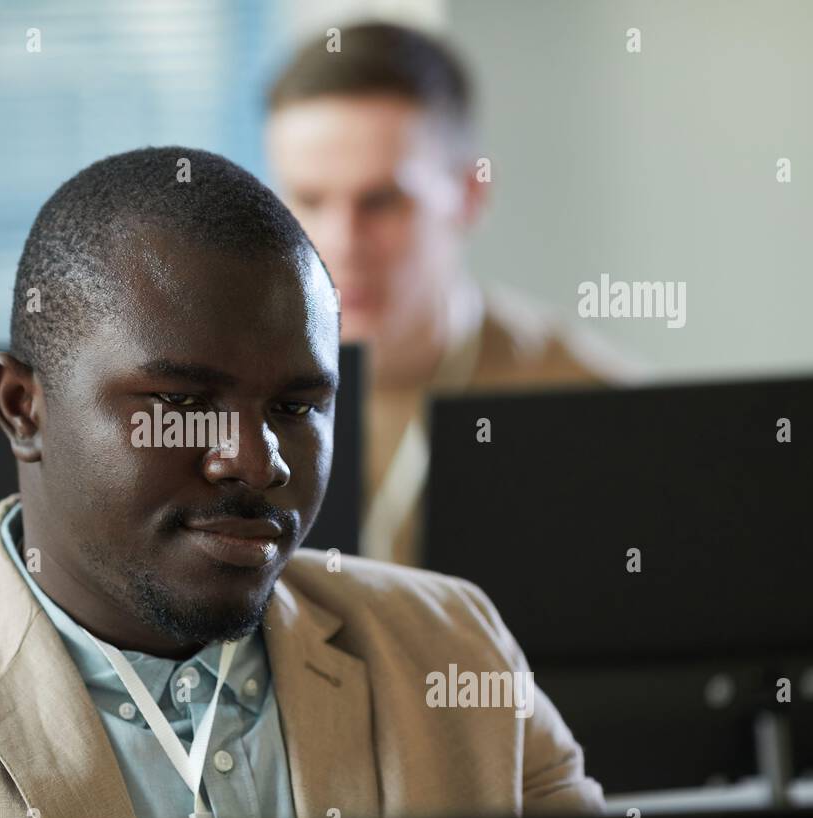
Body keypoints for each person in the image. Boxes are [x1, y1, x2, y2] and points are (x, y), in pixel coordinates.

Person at [0, 147, 603, 818]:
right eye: (180, 405)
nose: (256, 461)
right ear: (24, 407)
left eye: (297, 407)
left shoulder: (449, 645)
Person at [265, 22, 644, 566]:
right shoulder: (236, 406)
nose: (340, 245)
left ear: (468, 197)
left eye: (382, 201)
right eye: (309, 199)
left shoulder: (597, 409)